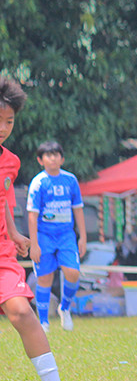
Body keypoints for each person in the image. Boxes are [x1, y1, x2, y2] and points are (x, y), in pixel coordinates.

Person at [0, 79, 70, 381]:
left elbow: (4, 201)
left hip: (2, 251)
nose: (3, 127)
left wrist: (14, 233)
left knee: (21, 313)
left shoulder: (10, 161)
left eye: (9, 121)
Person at [26, 140, 86, 332]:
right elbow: (32, 215)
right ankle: (43, 322)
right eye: (47, 155)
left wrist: (82, 237)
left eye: (56, 154)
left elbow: (78, 210)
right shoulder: (38, 182)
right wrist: (34, 244)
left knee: (73, 272)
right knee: (44, 278)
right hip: (44, 236)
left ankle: (65, 308)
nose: (52, 158)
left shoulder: (70, 180)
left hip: (66, 235)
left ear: (62, 158)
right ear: (40, 160)